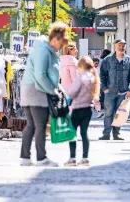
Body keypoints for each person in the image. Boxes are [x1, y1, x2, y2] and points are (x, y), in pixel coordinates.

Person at [20, 22, 69, 167]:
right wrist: (52, 91)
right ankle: (41, 158)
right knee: (40, 125)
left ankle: (25, 157)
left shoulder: (43, 49)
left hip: (30, 89)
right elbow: (40, 75)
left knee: (31, 125)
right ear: (55, 39)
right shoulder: (44, 51)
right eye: (60, 44)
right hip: (37, 91)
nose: (60, 48)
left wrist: (58, 87)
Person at [64, 56, 100, 166]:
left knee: (72, 134)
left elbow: (72, 92)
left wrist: (67, 93)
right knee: (84, 133)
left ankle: (72, 158)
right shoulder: (94, 78)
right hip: (88, 109)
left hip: (77, 108)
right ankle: (85, 158)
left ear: (81, 66)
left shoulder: (80, 78)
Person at [99, 39, 130, 141]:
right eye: (119, 45)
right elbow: (102, 75)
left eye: (123, 46)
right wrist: (104, 88)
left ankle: (117, 134)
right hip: (110, 91)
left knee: (119, 114)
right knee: (108, 113)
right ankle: (106, 133)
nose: (121, 48)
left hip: (123, 92)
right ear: (115, 46)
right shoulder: (107, 60)